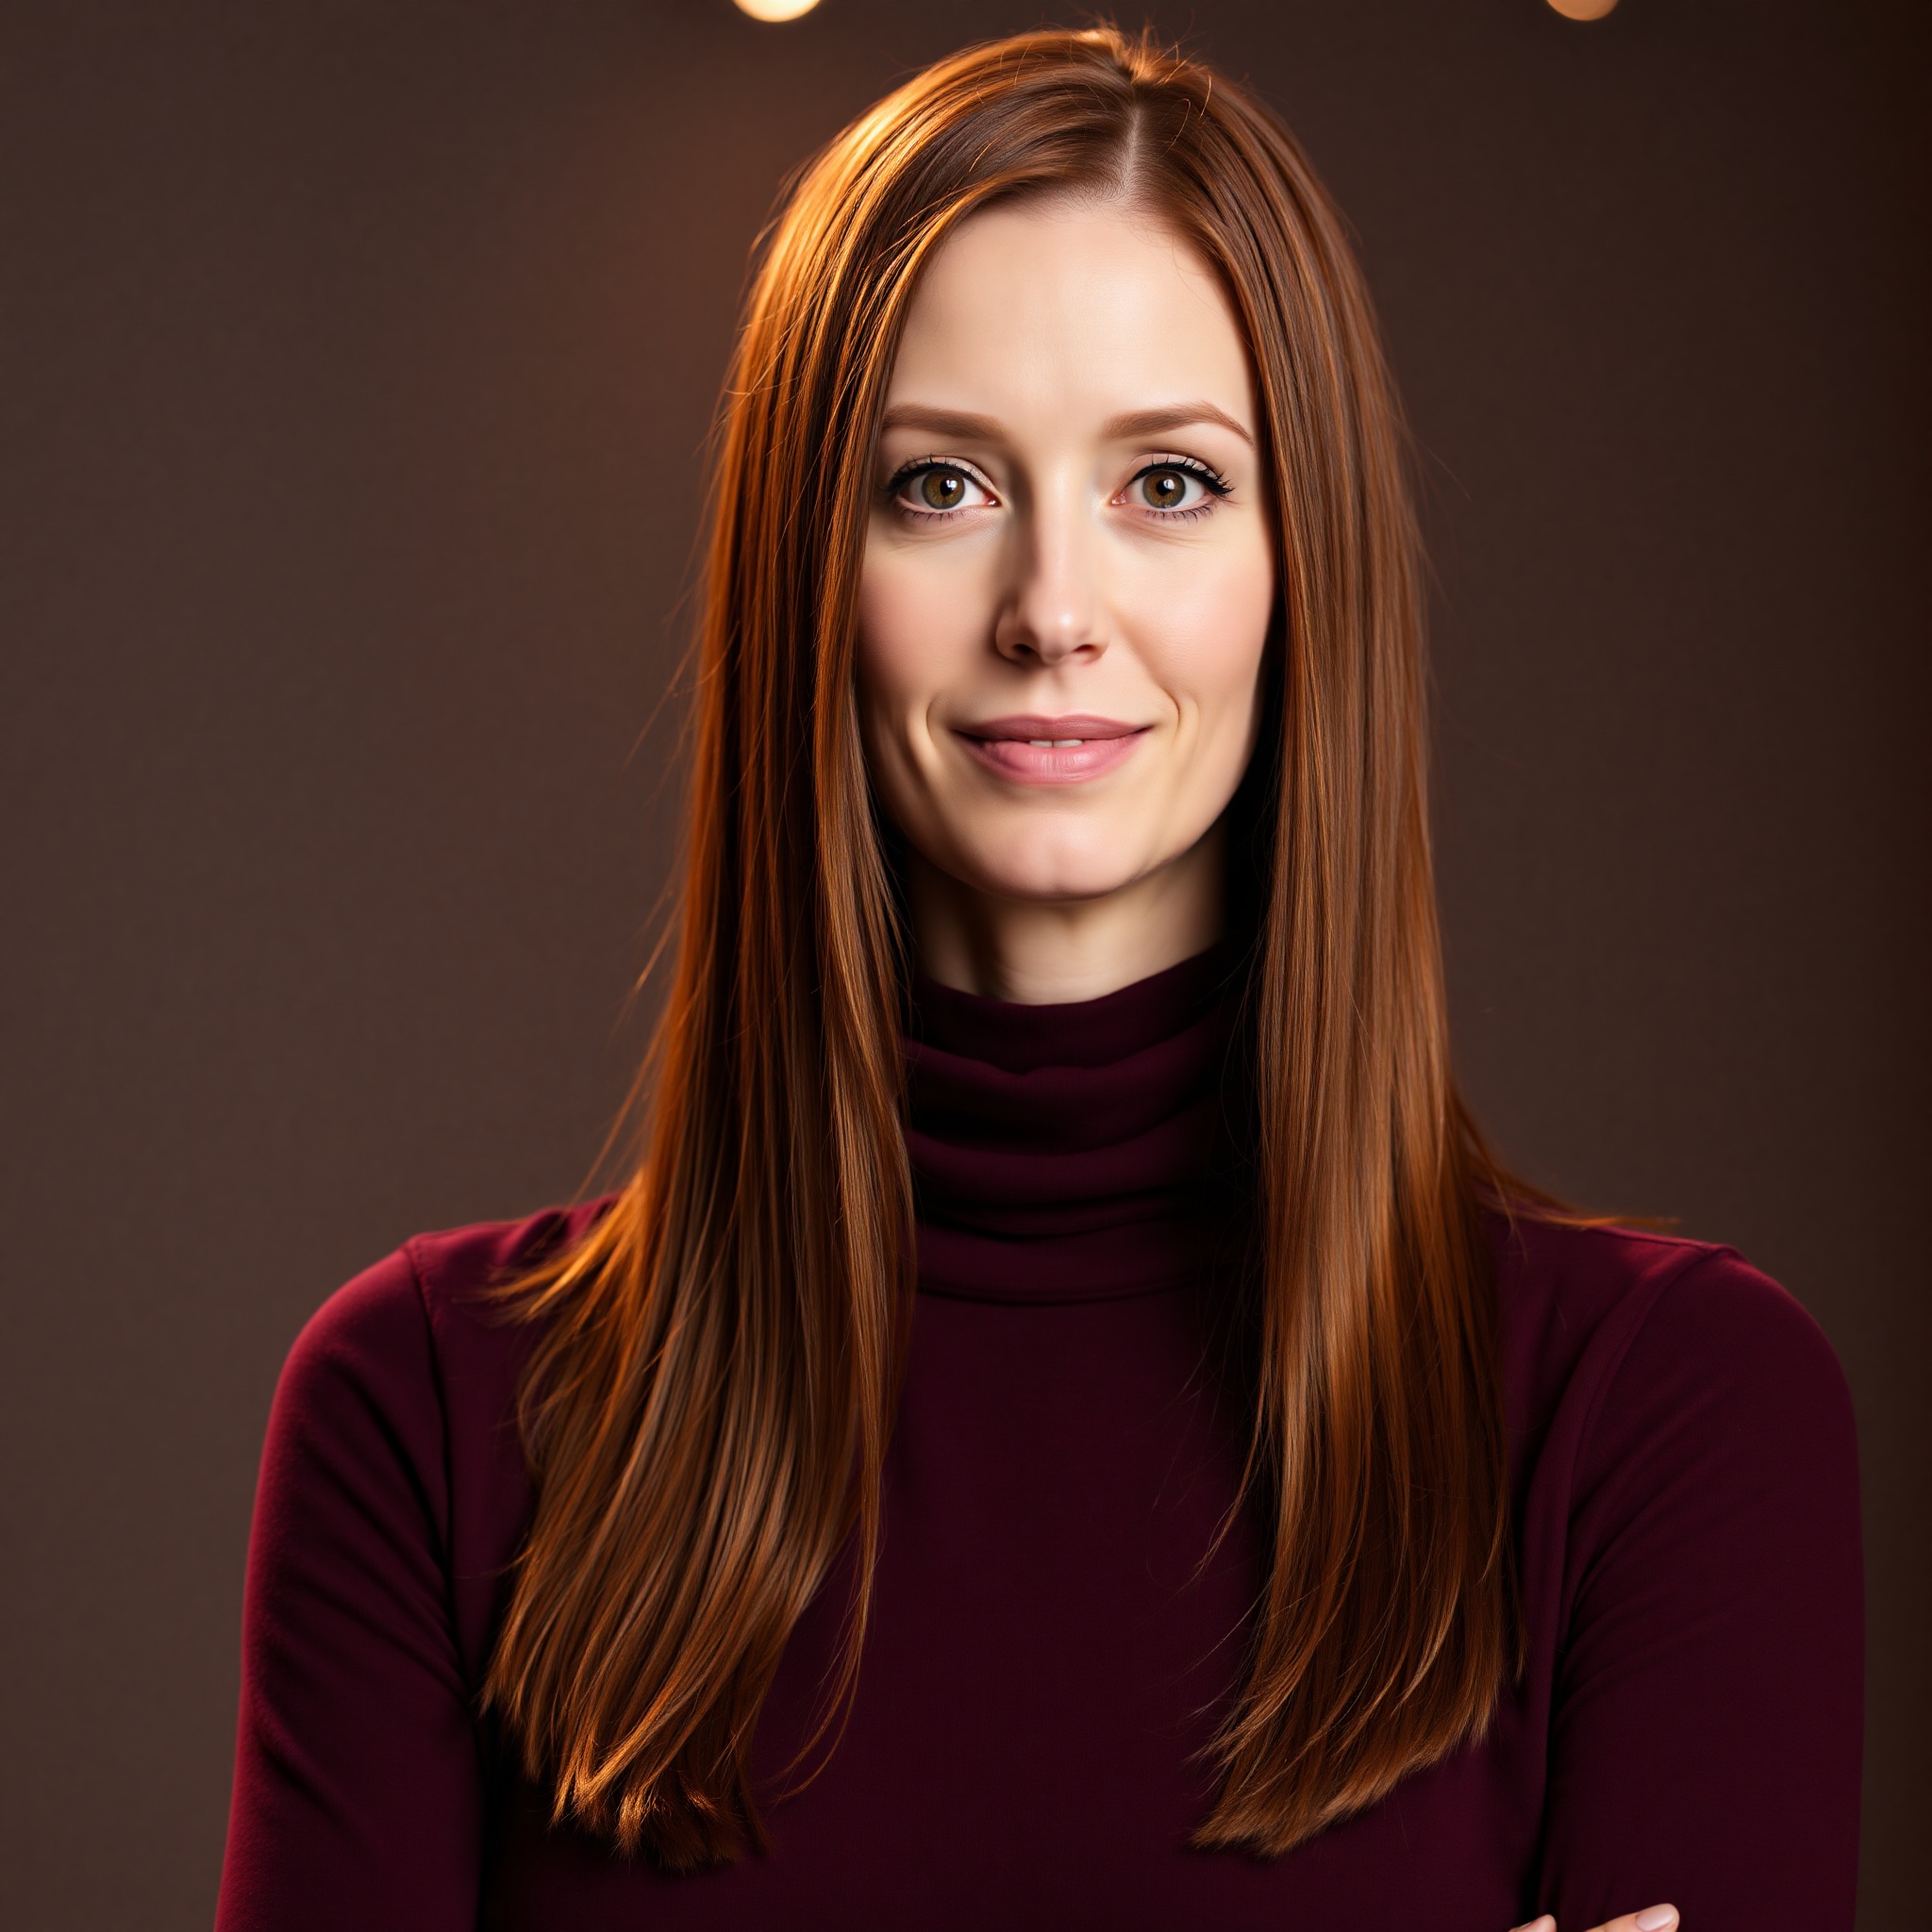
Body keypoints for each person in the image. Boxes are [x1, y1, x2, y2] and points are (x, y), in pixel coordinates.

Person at [214, 29, 1861, 1932]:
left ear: (1298, 562)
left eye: (1167, 481)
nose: (1052, 607)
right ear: (800, 570)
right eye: (937, 487)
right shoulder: (424, 1416)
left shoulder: (1664, 1417)